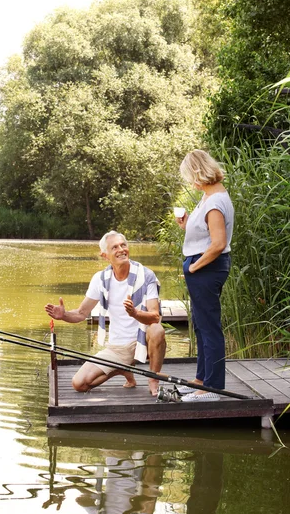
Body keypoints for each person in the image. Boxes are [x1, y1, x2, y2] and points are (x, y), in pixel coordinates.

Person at [45, 231, 166, 396]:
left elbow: (155, 316)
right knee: (79, 384)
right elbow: (81, 313)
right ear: (105, 255)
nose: (121, 250)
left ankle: (153, 379)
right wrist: (64, 315)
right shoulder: (100, 279)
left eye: (123, 245)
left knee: (157, 330)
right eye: (115, 247)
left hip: (142, 339)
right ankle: (121, 368)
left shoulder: (145, 275)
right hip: (118, 347)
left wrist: (135, 313)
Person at [175, 149, 234, 402]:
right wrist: (187, 224)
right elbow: (206, 233)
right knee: (201, 326)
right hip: (204, 268)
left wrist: (194, 267)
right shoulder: (209, 196)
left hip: (207, 269)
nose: (191, 182)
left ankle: (212, 389)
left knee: (209, 328)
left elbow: (218, 243)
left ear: (198, 173)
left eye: (190, 177)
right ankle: (201, 380)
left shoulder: (215, 201)